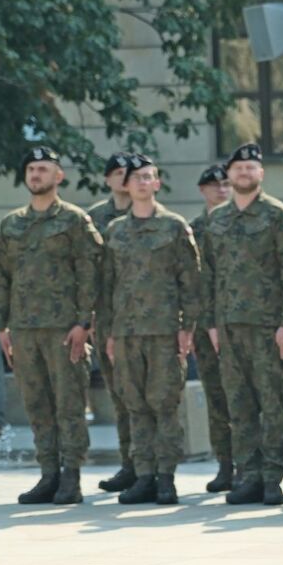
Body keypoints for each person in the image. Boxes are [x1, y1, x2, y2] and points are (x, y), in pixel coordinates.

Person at [0, 146, 102, 505]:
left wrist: (84, 322)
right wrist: (3, 325)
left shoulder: (74, 221)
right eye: (31, 169)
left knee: (69, 404)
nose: (36, 174)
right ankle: (48, 474)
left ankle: (71, 478)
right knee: (37, 405)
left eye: (43, 169)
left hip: (63, 329)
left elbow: (90, 274)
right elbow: (1, 277)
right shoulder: (11, 224)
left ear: (59, 176)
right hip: (24, 329)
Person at [203, 143, 283, 506]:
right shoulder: (217, 219)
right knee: (239, 404)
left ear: (260, 174)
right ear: (229, 175)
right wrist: (212, 324)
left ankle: (273, 476)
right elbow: (210, 275)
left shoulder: (277, 216)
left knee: (272, 403)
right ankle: (247, 474)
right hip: (229, 327)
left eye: (250, 168)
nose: (244, 173)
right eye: (238, 168)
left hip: (268, 327)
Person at [101, 155, 201, 505]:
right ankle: (143, 475)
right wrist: (110, 333)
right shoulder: (115, 231)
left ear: (157, 183)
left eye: (149, 177)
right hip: (126, 332)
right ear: (126, 186)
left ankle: (166, 478)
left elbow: (190, 281)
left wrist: (187, 328)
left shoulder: (174, 227)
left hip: (163, 332)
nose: (143, 183)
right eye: (136, 178)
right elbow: (108, 285)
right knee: (135, 405)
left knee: (164, 405)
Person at [89, 152, 136, 493]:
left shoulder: (151, 214)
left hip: (149, 319)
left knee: (148, 396)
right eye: (117, 173)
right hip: (107, 319)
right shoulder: (94, 218)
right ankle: (129, 464)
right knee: (119, 395)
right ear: (107, 179)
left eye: (129, 173)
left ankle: (155, 466)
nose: (123, 178)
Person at [190, 163, 235, 492]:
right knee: (217, 397)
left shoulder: (239, 221)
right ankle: (225, 464)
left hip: (236, 322)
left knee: (244, 397)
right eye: (213, 185)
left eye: (225, 184)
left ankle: (251, 464)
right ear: (202, 190)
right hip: (206, 325)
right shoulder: (193, 228)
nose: (221, 189)